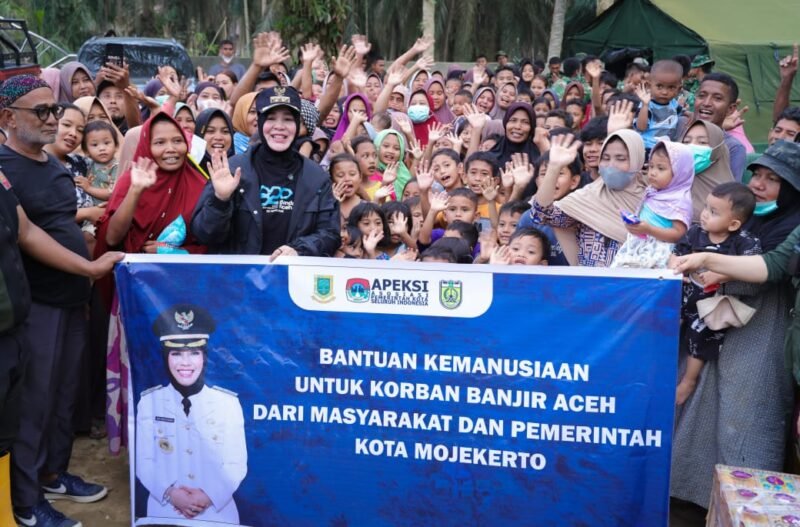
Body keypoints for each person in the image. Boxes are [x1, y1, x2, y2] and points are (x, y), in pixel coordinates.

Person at [0, 74, 117, 527]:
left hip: (71, 298)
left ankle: (54, 473)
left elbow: (61, 219)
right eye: (42, 112)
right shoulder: (4, 169)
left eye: (56, 110)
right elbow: (27, 235)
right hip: (39, 302)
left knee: (64, 396)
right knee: (35, 402)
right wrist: (87, 268)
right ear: (9, 118)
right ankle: (27, 502)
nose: (54, 119)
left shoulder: (52, 163)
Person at [669, 140, 800, 512]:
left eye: (772, 179)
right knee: (710, 419)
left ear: (793, 190)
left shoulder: (792, 227)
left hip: (763, 333)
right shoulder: (745, 216)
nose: (758, 184)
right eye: (757, 173)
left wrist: (710, 266)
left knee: (747, 422)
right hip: (723, 326)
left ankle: (750, 511)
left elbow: (769, 271)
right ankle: (703, 503)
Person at [191, 86, 341, 257]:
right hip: (240, 279)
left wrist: (299, 250)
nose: (279, 127)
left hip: (293, 278)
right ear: (260, 122)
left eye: (288, 119)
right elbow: (204, 234)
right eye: (271, 118)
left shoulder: (316, 177)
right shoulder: (232, 170)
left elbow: (330, 234)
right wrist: (220, 200)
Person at [136, 305, 247, 523]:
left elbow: (236, 464)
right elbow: (144, 461)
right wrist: (173, 495)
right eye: (176, 353)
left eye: (194, 353)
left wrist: (208, 496)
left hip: (217, 510)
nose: (185, 363)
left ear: (205, 357)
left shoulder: (228, 403)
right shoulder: (149, 402)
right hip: (165, 508)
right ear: (165, 357)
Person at [669, 182, 760, 405]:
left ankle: (688, 381)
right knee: (667, 324)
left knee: (698, 339)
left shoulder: (744, 241)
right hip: (684, 294)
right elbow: (674, 254)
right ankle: (657, 365)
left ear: (733, 223)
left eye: (714, 212)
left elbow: (750, 266)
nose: (705, 215)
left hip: (711, 304)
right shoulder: (695, 232)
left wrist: (721, 275)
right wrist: (676, 267)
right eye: (706, 207)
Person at [533, 130, 647, 266]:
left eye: (620, 158)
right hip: (588, 284)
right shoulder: (586, 197)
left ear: (637, 160)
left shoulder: (655, 201)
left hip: (635, 285)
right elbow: (541, 214)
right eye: (605, 158)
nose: (611, 165)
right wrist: (554, 167)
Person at [611, 139, 693, 269]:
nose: (653, 172)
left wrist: (649, 230)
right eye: (651, 166)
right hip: (638, 246)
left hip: (658, 252)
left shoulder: (679, 200)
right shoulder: (653, 192)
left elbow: (678, 234)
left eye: (661, 168)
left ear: (679, 172)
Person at [692, 73, 746, 180]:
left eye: (717, 98)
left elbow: (730, 192)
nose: (706, 103)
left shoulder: (732, 147)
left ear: (730, 109)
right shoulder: (678, 129)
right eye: (702, 96)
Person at [680, 119, 734, 222]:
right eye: (686, 141)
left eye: (702, 142)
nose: (692, 146)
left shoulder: (729, 195)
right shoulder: (667, 179)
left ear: (718, 149)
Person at [634, 60, 684, 151]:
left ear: (679, 89)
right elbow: (641, 127)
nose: (664, 92)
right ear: (649, 86)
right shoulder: (647, 104)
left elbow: (682, 113)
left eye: (671, 87)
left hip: (668, 147)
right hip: (647, 146)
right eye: (659, 86)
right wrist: (645, 106)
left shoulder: (674, 104)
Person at [78, 120, 120, 205]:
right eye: (95, 145)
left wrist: (88, 188)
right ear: (86, 151)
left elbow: (113, 193)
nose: (102, 148)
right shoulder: (90, 164)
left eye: (106, 143)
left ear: (116, 146)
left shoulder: (116, 167)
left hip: (107, 212)